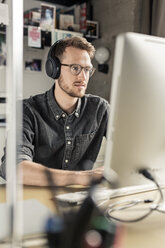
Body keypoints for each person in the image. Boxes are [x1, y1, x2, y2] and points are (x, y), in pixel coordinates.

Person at [0, 36, 109, 186]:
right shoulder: (27, 110)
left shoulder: (99, 108)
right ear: (54, 69)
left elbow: (130, 147)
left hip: (77, 199)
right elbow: (14, 168)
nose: (83, 77)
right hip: (35, 201)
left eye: (87, 69)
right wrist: (82, 177)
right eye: (75, 68)